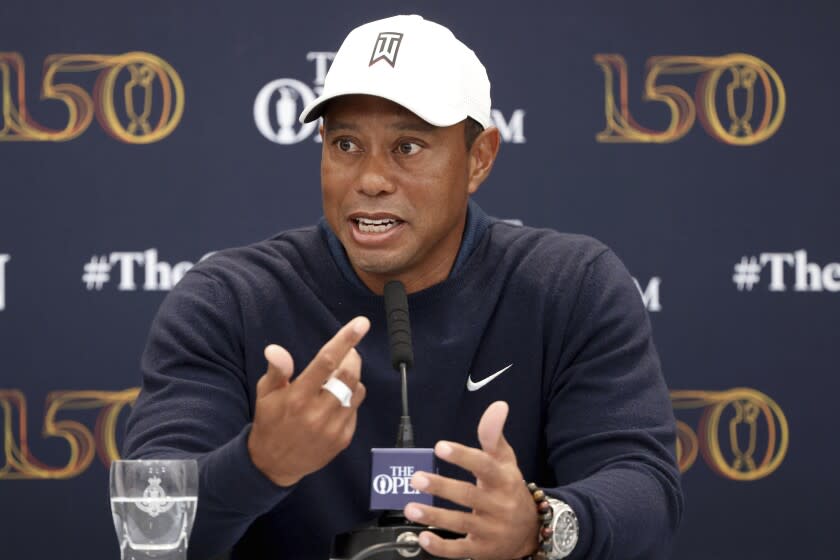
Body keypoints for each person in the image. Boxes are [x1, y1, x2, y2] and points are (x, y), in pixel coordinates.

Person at [123, 14, 683, 560]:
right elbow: (148, 531)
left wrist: (540, 525)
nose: (370, 180)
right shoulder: (229, 300)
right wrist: (258, 464)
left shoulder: (569, 287)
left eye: (407, 147)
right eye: (345, 145)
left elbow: (645, 494)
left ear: (479, 158)